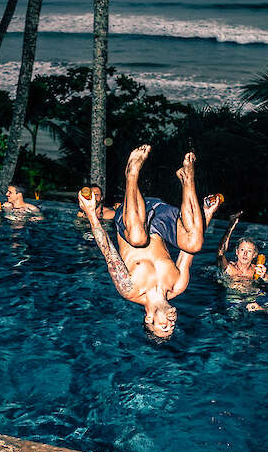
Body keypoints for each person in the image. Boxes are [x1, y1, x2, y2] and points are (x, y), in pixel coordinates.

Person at [79, 145, 218, 339]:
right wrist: (206, 215)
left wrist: (91, 214)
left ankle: (132, 173)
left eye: (164, 327)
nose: (171, 323)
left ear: (149, 318)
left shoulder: (130, 290)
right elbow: (189, 251)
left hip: (131, 219)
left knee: (138, 239)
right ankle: (187, 178)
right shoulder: (178, 285)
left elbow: (108, 251)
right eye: (172, 327)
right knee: (194, 244)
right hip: (161, 217)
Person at [215, 211, 268, 284]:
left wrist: (265, 277)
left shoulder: (256, 271)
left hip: (255, 294)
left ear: (254, 255)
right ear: (237, 252)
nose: (245, 253)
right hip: (233, 294)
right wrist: (230, 228)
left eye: (249, 251)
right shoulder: (229, 268)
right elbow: (220, 253)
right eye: (242, 250)